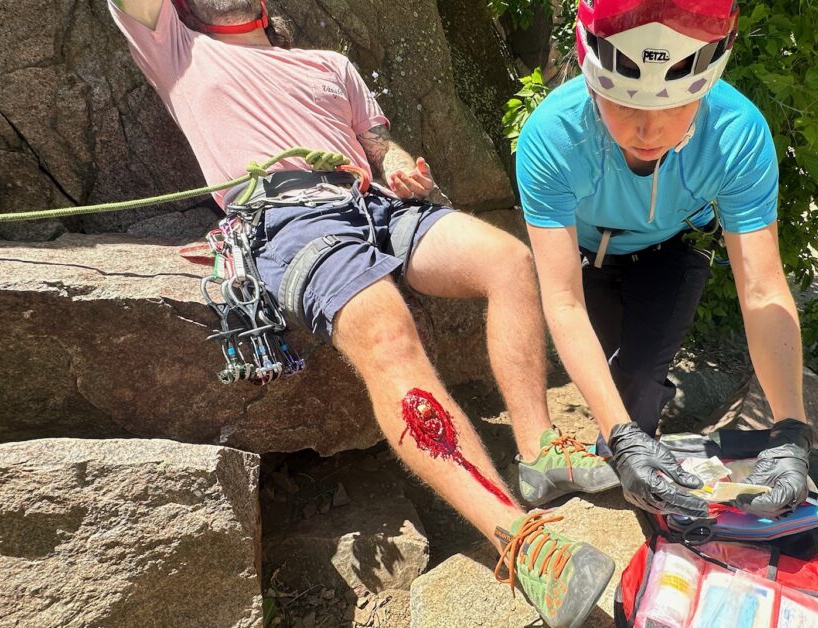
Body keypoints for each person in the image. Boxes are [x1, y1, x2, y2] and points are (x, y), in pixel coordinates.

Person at [107, 1, 617, 624]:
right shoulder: (177, 48)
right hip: (287, 220)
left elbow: (378, 141)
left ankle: (540, 450)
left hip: (376, 206)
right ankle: (519, 539)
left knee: (508, 262)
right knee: (386, 335)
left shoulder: (330, 64)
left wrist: (397, 162)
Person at [517, 0, 814, 520]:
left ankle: (632, 452)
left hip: (667, 250)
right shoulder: (552, 136)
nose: (648, 133)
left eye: (677, 107)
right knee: (611, 371)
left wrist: (791, 430)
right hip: (586, 257)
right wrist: (621, 431)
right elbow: (562, 302)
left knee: (641, 368)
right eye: (625, 105)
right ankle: (628, 446)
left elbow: (763, 289)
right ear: (590, 83)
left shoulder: (737, 133)